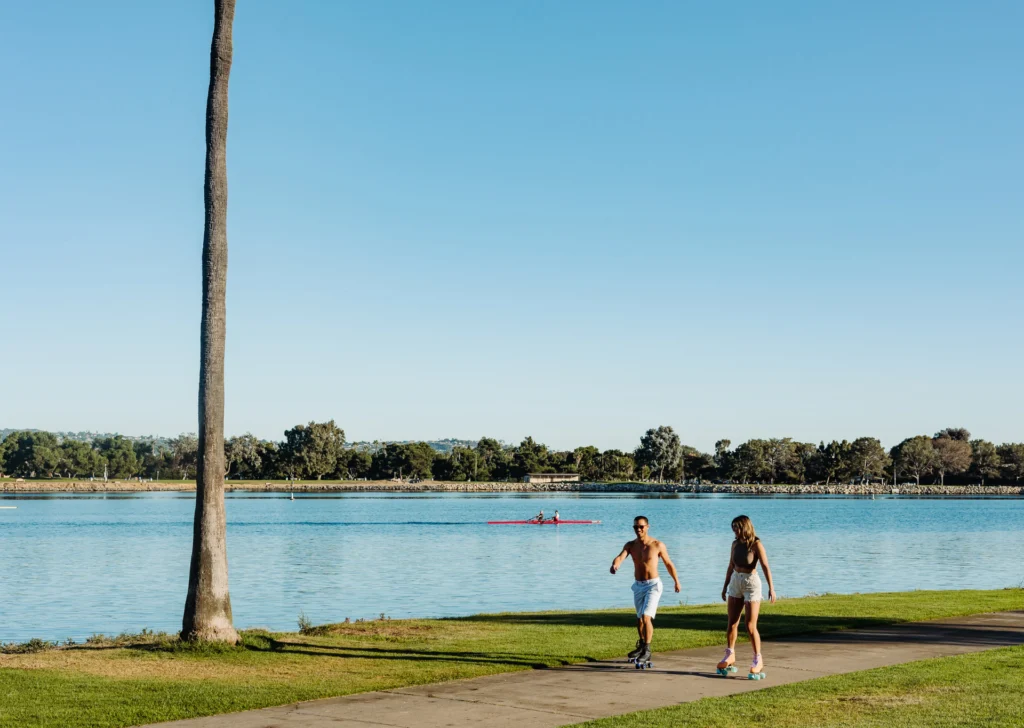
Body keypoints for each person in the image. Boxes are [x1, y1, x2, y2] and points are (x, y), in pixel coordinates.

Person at [610, 516, 682, 665]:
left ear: (648, 527)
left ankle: (647, 650)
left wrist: (676, 581)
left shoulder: (657, 545)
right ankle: (642, 645)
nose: (638, 529)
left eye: (641, 526)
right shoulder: (631, 545)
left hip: (653, 585)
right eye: (636, 527)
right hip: (638, 585)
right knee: (639, 619)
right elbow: (620, 557)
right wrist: (615, 565)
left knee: (646, 616)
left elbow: (668, 563)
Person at [717, 515, 776, 679]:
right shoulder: (735, 544)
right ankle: (730, 654)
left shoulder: (756, 544)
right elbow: (730, 566)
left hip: (751, 583)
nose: (734, 530)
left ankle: (758, 658)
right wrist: (724, 586)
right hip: (736, 581)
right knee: (732, 623)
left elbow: (765, 565)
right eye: (733, 527)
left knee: (750, 626)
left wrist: (772, 587)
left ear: (745, 527)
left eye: (737, 527)